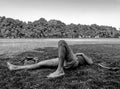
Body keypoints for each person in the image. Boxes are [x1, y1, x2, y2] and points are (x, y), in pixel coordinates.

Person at [7, 40, 93, 78]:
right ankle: (15, 67)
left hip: (74, 61)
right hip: (64, 60)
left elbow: (90, 63)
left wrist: (82, 54)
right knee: (40, 64)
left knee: (61, 42)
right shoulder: (73, 55)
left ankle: (60, 71)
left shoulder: (84, 56)